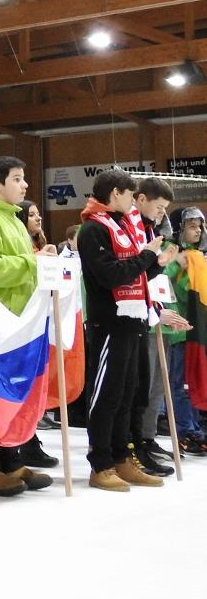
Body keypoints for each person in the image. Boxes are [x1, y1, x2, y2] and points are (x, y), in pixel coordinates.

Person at [76, 169, 175, 492]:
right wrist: (146, 256)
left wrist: (155, 263)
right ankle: (100, 462)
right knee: (106, 396)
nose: (134, 203)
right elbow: (110, 275)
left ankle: (121, 457)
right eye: (131, 196)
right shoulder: (92, 229)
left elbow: (136, 273)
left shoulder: (123, 226)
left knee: (127, 394)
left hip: (133, 319)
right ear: (116, 193)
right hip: (110, 322)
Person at [0, 156, 56, 496]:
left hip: (18, 321)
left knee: (14, 393)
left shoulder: (14, 221)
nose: (25, 185)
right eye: (17, 179)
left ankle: (12, 459)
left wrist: (37, 259)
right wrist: (32, 262)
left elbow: (19, 264)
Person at [131, 177, 178, 475]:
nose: (162, 214)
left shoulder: (155, 231)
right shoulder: (131, 230)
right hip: (134, 318)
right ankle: (133, 443)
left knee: (157, 385)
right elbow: (130, 274)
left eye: (165, 210)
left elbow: (155, 276)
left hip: (154, 313)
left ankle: (146, 438)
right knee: (139, 389)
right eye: (159, 208)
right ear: (140, 199)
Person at [13, 199, 62, 468]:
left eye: (38, 213)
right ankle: (22, 441)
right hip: (22, 321)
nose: (38, 218)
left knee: (34, 385)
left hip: (38, 321)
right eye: (31, 214)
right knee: (22, 385)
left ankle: (30, 439)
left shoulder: (39, 246)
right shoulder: (25, 249)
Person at [163, 207, 207, 456]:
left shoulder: (197, 255)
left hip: (196, 330)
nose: (197, 230)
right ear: (180, 228)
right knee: (178, 384)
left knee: (193, 381)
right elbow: (170, 284)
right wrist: (176, 263)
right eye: (191, 225)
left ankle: (195, 427)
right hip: (178, 329)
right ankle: (184, 429)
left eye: (199, 226)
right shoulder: (174, 252)